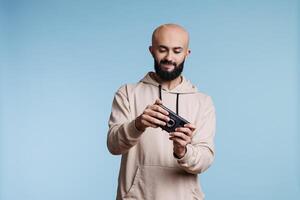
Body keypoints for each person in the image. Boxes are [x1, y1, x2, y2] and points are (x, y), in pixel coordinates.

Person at [107, 23, 216, 200]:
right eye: (162, 49)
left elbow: (205, 160)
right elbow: (113, 145)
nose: (169, 57)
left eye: (177, 51)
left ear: (187, 53)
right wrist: (138, 124)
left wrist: (183, 151)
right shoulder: (127, 93)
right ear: (151, 50)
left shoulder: (202, 101)